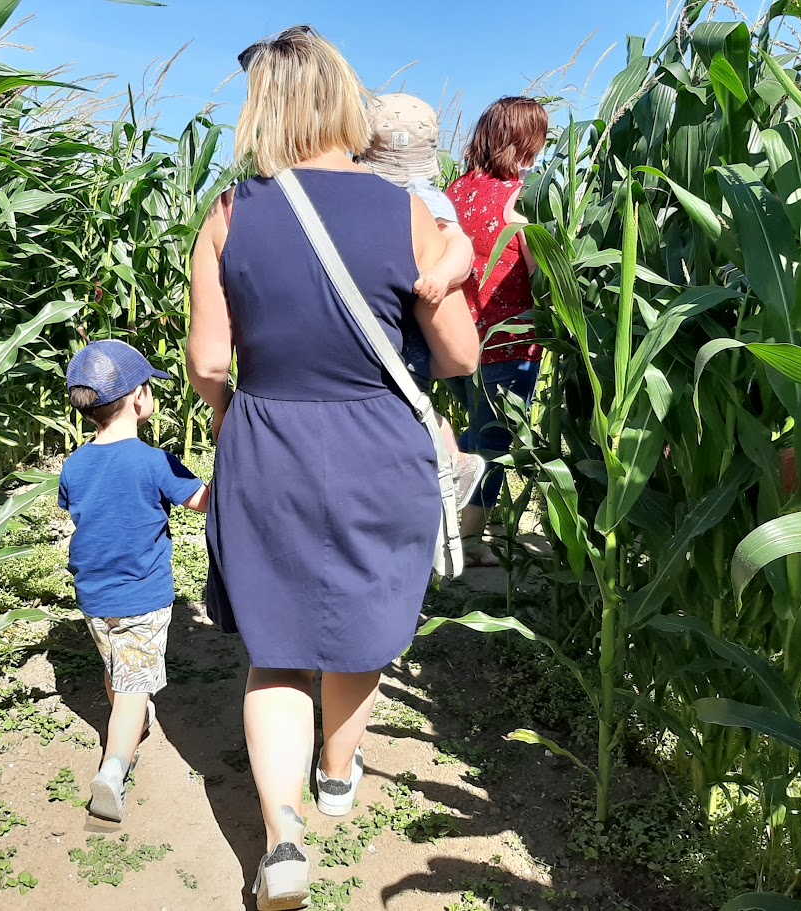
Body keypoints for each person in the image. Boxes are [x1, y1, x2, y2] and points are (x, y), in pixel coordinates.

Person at [187, 25, 479, 911]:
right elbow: (461, 355)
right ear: (343, 102)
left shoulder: (230, 213)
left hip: (267, 436)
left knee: (274, 651)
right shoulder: (411, 215)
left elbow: (207, 360)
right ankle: (338, 772)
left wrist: (231, 414)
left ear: (263, 108)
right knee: (359, 619)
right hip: (378, 444)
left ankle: (280, 839)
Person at [57, 340, 209, 823]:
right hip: (141, 595)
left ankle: (133, 725)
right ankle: (113, 768)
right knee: (132, 688)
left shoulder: (74, 465)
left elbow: (76, 506)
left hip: (94, 594)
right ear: (140, 398)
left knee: (115, 665)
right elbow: (204, 501)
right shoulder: (155, 462)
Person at [357, 92, 483, 508]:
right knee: (412, 403)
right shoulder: (374, 196)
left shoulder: (425, 200)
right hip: (393, 318)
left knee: (411, 400)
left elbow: (460, 247)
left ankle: (450, 463)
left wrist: (441, 276)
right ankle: (446, 462)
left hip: (409, 319)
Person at [445, 96, 549, 566]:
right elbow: (540, 270)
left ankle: (478, 511)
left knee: (476, 423)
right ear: (525, 140)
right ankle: (466, 536)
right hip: (510, 339)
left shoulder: (455, 192)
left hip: (457, 339)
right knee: (494, 438)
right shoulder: (519, 197)